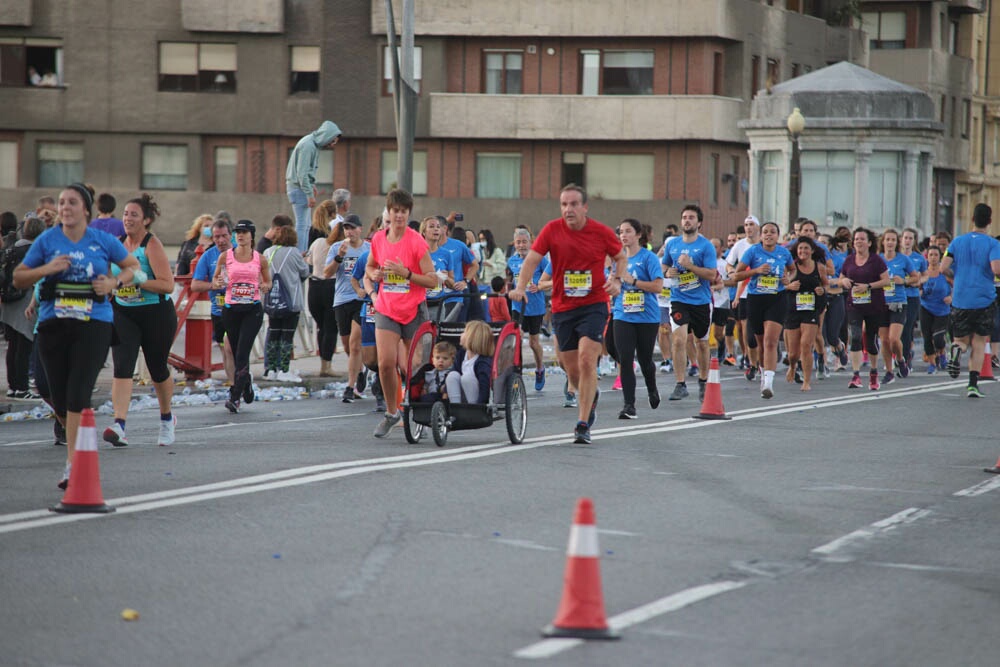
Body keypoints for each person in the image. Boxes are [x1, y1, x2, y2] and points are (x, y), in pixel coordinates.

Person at [13, 183, 141, 489]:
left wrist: (113, 283)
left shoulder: (102, 240)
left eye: (71, 202)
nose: (65, 207)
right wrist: (47, 268)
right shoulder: (47, 240)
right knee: (56, 395)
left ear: (86, 209)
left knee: (78, 393)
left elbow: (133, 267)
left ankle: (73, 463)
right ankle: (76, 444)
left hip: (93, 323)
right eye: (61, 202)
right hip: (53, 324)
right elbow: (19, 277)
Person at [509, 184, 627, 445]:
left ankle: (582, 423)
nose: (568, 209)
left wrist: (617, 280)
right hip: (563, 308)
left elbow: (620, 256)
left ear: (585, 207)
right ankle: (589, 392)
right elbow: (531, 260)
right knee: (570, 368)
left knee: (587, 360)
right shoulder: (552, 230)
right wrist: (519, 287)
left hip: (594, 304)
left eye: (574, 204)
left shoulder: (600, 232)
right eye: (564, 204)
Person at [103, 193, 178, 447]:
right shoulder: (117, 243)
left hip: (156, 314)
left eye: (134, 214)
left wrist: (140, 279)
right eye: (125, 214)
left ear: (146, 220)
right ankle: (119, 424)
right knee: (122, 366)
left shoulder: (151, 245)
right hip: (124, 312)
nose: (128, 219)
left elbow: (168, 285)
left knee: (157, 368)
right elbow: (109, 277)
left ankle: (167, 419)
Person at [365, 189, 438, 438]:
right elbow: (371, 266)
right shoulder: (378, 239)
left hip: (414, 309)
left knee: (414, 367)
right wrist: (374, 275)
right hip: (387, 308)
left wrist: (406, 273)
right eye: (395, 211)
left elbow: (432, 281)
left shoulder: (416, 241)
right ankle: (391, 411)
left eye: (403, 212)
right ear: (389, 211)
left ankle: (419, 412)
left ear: (409, 213)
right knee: (385, 363)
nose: (399, 216)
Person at [211, 220, 271, 413]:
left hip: (252, 310)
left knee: (243, 353)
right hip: (231, 310)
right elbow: (215, 280)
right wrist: (218, 280)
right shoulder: (225, 256)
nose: (240, 235)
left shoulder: (259, 259)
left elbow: (268, 281)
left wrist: (264, 286)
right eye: (237, 232)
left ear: (252, 235)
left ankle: (234, 397)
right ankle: (246, 382)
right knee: (236, 354)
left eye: (244, 232)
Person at [940, 203, 1000, 397]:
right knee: (980, 342)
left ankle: (956, 351)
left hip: (960, 297)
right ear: (989, 222)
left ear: (972, 219)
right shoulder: (993, 244)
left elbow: (943, 267)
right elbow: (996, 269)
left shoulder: (957, 242)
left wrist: (954, 277)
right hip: (984, 298)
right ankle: (973, 385)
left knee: (961, 339)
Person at [606, 218, 663, 419]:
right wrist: (611, 283)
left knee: (646, 359)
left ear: (638, 235)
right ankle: (629, 405)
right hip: (623, 314)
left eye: (628, 231)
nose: (623, 235)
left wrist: (635, 281)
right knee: (626, 357)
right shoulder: (616, 259)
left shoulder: (648, 258)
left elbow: (658, 287)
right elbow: (613, 286)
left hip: (647, 316)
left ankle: (652, 388)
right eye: (621, 232)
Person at [661, 204, 718, 402]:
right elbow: (664, 265)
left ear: (699, 223)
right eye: (684, 217)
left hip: (701, 301)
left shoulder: (706, 246)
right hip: (679, 299)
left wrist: (690, 266)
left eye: (691, 217)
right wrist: (667, 272)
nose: (687, 220)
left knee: (701, 343)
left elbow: (711, 275)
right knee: (678, 339)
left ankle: (703, 381)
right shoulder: (672, 244)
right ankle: (680, 384)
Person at [732, 221, 795, 399]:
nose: (769, 235)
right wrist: (756, 271)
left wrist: (787, 279)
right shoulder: (752, 251)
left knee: (770, 341)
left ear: (778, 236)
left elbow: (793, 270)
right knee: (760, 343)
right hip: (755, 299)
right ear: (760, 235)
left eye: (773, 232)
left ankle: (768, 383)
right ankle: (762, 372)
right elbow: (737, 274)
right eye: (765, 232)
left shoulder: (784, 252)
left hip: (777, 299)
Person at [837, 228, 891, 391]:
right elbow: (841, 278)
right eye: (856, 239)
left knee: (871, 340)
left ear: (869, 242)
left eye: (862, 239)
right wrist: (844, 281)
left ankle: (873, 374)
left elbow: (886, 281)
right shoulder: (849, 260)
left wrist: (868, 286)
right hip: (854, 304)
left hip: (874, 305)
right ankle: (856, 375)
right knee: (855, 336)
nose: (858, 242)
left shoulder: (876, 261)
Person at [325, 214, 370, 400]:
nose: (349, 232)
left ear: (360, 229)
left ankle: (349, 387)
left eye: (353, 228)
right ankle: (360, 372)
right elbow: (326, 273)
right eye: (346, 228)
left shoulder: (369, 248)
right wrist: (339, 257)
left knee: (355, 343)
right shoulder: (337, 247)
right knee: (347, 345)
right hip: (342, 299)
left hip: (362, 299)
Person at [1, 217, 44, 399]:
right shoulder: (35, 251)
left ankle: (12, 386)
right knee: (24, 345)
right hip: (25, 301)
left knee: (12, 345)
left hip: (8, 302)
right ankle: (22, 387)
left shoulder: (11, 249)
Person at [190, 217, 236, 384]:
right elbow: (195, 284)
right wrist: (212, 285)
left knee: (233, 348)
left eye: (224, 236)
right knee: (226, 350)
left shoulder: (242, 252)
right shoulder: (208, 256)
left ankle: (240, 381)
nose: (221, 240)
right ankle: (234, 385)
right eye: (217, 237)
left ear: (231, 235)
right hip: (219, 310)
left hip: (241, 310)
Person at [506, 227, 552, 391]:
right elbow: (509, 281)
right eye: (518, 242)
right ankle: (516, 372)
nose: (521, 245)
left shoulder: (540, 260)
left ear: (531, 242)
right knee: (516, 338)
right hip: (518, 307)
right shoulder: (512, 261)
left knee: (533, 343)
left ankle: (540, 369)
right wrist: (509, 291)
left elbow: (550, 276)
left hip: (535, 306)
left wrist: (539, 286)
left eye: (524, 242)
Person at [285, 120, 342, 252]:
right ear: (327, 136)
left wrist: (312, 185)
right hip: (298, 188)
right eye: (332, 141)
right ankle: (300, 253)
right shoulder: (308, 146)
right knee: (302, 224)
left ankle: (303, 250)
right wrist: (309, 194)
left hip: (300, 187)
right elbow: (302, 174)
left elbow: (306, 173)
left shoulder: (312, 144)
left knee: (306, 225)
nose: (332, 145)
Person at [262, 225, 309, 379]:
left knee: (273, 333)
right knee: (287, 336)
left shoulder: (268, 251)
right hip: (291, 301)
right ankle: (284, 369)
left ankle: (270, 369)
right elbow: (305, 272)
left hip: (272, 300)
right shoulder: (294, 253)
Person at [784, 237, 828, 391]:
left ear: (812, 251)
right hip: (793, 310)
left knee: (806, 345)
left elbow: (826, 285)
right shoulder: (791, 267)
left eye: (806, 248)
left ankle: (806, 381)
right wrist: (789, 286)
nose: (803, 251)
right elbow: (780, 286)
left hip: (811, 310)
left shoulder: (820, 267)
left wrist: (822, 290)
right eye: (800, 248)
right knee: (793, 353)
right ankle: (793, 365)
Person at [877, 228, 918, 383]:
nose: (890, 243)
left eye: (893, 240)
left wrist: (905, 281)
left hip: (898, 302)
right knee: (885, 340)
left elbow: (916, 278)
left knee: (894, 339)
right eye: (887, 239)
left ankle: (901, 360)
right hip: (881, 303)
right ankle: (889, 372)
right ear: (883, 242)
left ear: (897, 242)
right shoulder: (877, 259)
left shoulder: (903, 259)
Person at [307, 201, 341, 376]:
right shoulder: (338, 247)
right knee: (331, 328)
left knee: (321, 327)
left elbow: (309, 262)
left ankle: (323, 364)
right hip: (331, 286)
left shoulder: (315, 237)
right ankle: (326, 366)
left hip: (314, 285)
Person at [726, 215, 762, 378]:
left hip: (766, 293)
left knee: (763, 333)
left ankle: (762, 364)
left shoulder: (765, 245)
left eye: (751, 224)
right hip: (745, 294)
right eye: (746, 225)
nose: (748, 228)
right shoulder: (739, 246)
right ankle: (752, 362)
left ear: (758, 228)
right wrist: (732, 272)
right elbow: (729, 263)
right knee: (748, 332)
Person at [918, 245, 952, 373]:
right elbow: (917, 286)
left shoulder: (945, 272)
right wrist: (919, 291)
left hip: (942, 310)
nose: (933, 258)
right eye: (930, 255)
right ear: (927, 257)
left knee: (938, 338)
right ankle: (932, 364)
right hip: (925, 307)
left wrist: (951, 297)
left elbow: (957, 286)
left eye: (936, 255)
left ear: (940, 257)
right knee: (927, 337)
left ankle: (942, 353)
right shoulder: (923, 273)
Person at [445, 319, 494, 404]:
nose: (461, 334)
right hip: (462, 395)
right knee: (452, 375)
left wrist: (481, 405)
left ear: (472, 338)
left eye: (464, 332)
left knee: (466, 378)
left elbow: (485, 388)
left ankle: (473, 409)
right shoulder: (462, 354)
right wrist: (445, 389)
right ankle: (455, 407)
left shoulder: (483, 362)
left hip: (477, 399)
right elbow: (454, 370)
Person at [899, 227, 928, 369]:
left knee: (907, 327)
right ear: (901, 239)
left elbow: (925, 275)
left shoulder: (919, 258)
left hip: (912, 297)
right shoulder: (896, 256)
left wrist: (919, 281)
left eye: (911, 238)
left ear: (914, 241)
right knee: (896, 329)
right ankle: (899, 355)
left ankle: (905, 357)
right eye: (906, 238)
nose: (908, 241)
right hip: (896, 296)